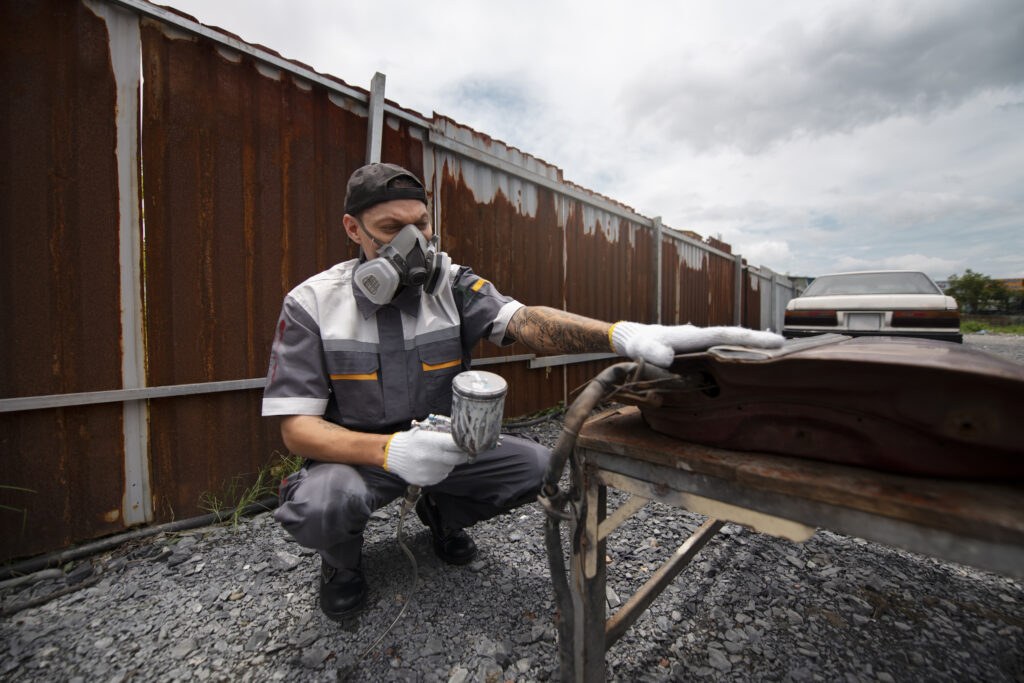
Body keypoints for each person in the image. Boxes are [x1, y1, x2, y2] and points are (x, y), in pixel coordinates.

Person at [262, 162, 783, 622]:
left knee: (539, 468)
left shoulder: (450, 284)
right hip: (361, 455)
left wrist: (616, 334)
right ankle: (342, 565)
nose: (414, 243)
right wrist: (388, 450)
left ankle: (441, 514)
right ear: (354, 230)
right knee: (323, 503)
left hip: (449, 444)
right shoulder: (312, 304)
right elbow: (296, 429)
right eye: (391, 229)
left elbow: (527, 321)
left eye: (421, 224)